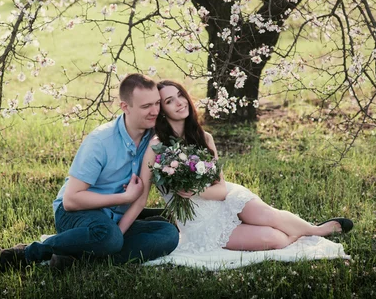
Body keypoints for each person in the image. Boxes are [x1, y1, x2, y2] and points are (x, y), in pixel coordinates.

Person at [141, 80, 353, 254]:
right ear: (161, 111)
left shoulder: (204, 138)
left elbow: (221, 189)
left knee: (269, 216)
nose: (180, 102)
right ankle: (297, 233)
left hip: (223, 197)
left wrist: (194, 190)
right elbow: (141, 192)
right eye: (170, 101)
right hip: (201, 222)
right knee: (275, 238)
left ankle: (317, 230)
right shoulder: (157, 147)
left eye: (180, 95)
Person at [0, 74, 179, 270]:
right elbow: (71, 201)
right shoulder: (101, 141)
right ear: (125, 107)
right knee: (109, 236)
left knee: (168, 233)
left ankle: (80, 256)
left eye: (157, 104)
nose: (154, 111)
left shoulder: (152, 139)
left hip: (115, 218)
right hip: (76, 214)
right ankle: (30, 252)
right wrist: (124, 197)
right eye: (146, 107)